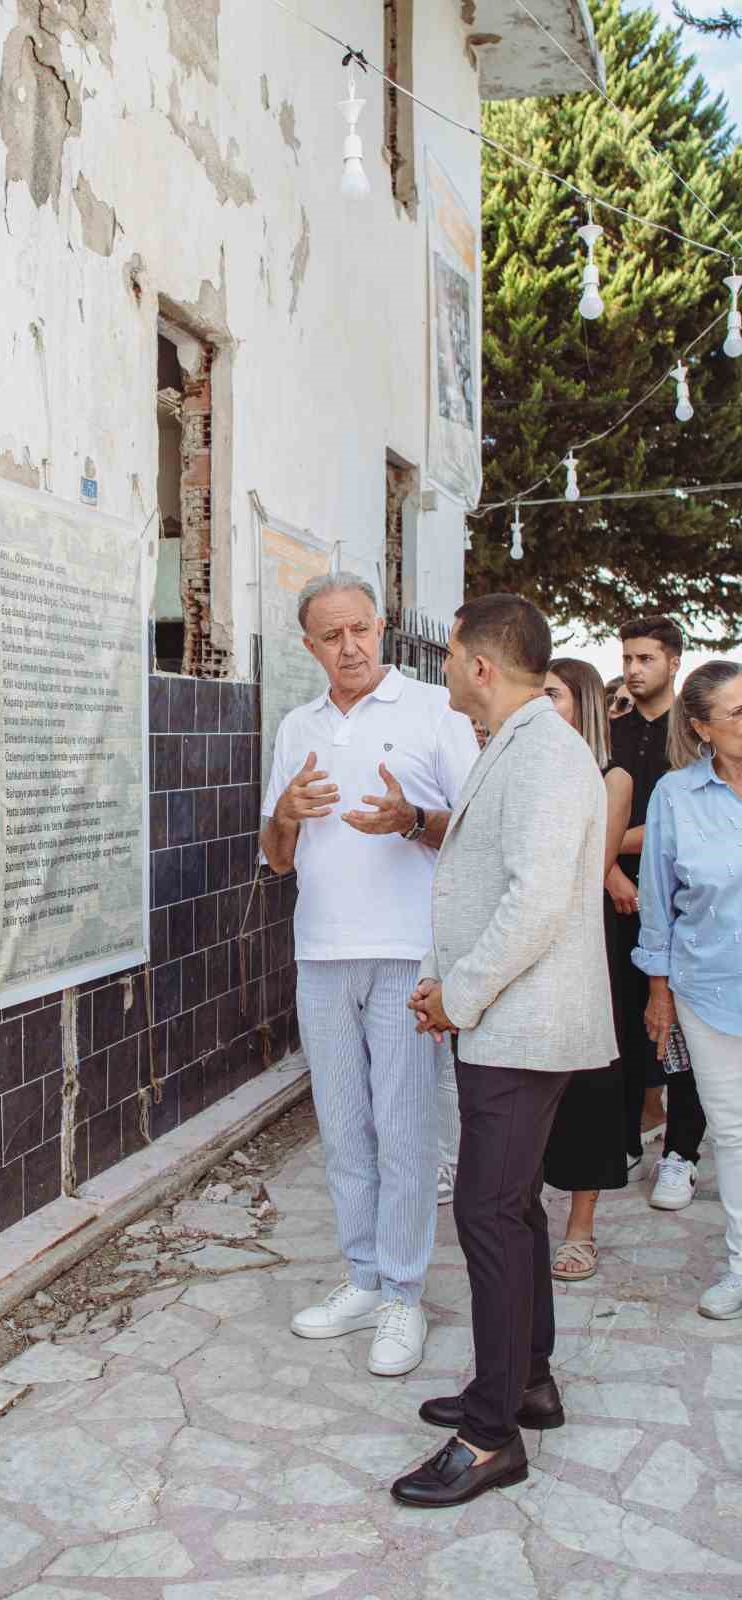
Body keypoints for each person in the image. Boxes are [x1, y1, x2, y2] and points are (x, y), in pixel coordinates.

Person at [392, 595, 616, 1510]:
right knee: (514, 1208)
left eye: (448, 654)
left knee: (486, 1212)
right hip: (503, 1019)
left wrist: (459, 992)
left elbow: (533, 904)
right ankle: (526, 1382)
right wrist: (441, 980)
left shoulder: (547, 754)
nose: (443, 669)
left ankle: (491, 1439)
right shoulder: (520, 744)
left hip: (523, 1026)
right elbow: (482, 886)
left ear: (481, 665)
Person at [260, 573, 479, 1377]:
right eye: (330, 636)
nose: (348, 647)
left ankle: (403, 1295)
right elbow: (277, 858)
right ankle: (361, 1278)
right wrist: (283, 814)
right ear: (309, 645)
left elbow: (475, 829)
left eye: (360, 630)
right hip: (320, 953)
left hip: (405, 953)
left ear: (382, 628)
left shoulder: (433, 710)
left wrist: (410, 821)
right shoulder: (298, 725)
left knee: (406, 1130)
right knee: (344, 1126)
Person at [635, 661, 742, 1319]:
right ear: (702, 728)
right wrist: (659, 990)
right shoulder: (675, 795)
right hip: (708, 988)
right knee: (730, 1132)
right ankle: (741, 1268)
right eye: (736, 713)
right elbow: (658, 902)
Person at [540, 658, 634, 1281]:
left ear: (585, 705)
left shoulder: (613, 777)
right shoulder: (519, 767)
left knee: (590, 1083)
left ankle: (580, 1227)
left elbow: (587, 866)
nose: (541, 706)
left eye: (553, 695)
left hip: (583, 943)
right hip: (524, 945)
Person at [608, 617, 706, 1208]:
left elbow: (685, 827)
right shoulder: (611, 733)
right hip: (614, 897)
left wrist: (613, 846)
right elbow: (586, 816)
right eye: (627, 658)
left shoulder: (694, 734)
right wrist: (611, 872)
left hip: (680, 903)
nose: (633, 669)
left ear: (673, 661)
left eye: (645, 658)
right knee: (618, 1021)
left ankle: (681, 1151)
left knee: (680, 1030)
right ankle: (621, 1138)